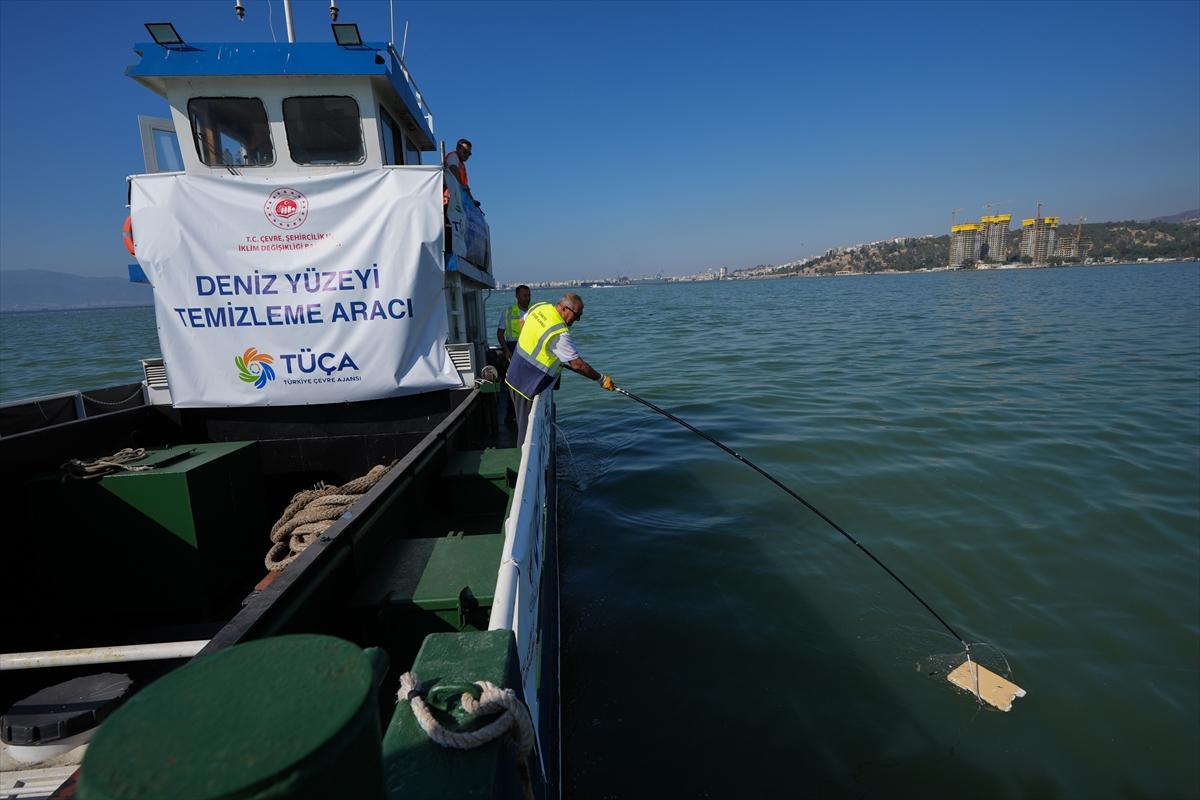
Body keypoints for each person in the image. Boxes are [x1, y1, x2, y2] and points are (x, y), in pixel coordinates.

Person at [505, 292, 615, 445]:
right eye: (577, 315)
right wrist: (601, 379)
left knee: (524, 424)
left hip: (513, 375)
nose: (579, 319)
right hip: (526, 386)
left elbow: (522, 323)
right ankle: (523, 467)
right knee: (527, 434)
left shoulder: (540, 307)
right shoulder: (559, 333)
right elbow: (577, 364)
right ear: (565, 309)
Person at [496, 284, 532, 422]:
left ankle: (526, 412)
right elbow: (500, 333)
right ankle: (511, 414)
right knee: (514, 384)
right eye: (524, 295)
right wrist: (506, 350)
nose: (527, 298)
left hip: (528, 349)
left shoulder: (533, 313)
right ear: (517, 296)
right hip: (513, 348)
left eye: (529, 295)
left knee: (527, 382)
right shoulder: (508, 312)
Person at [444, 138, 479, 207]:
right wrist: (461, 185)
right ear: (458, 149)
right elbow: (453, 168)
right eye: (465, 152)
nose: (467, 155)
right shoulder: (453, 156)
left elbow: (465, 186)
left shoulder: (461, 164)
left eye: (469, 153)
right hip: (449, 199)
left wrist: (472, 200)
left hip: (455, 199)